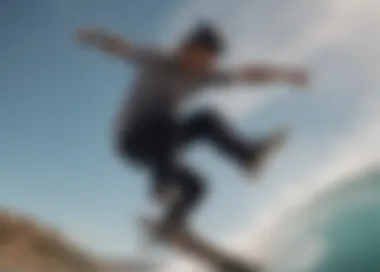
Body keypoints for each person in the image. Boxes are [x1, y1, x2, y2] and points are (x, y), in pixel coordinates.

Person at [76, 22, 310, 241]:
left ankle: (175, 219)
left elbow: (248, 74)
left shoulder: (204, 76)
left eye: (212, 60)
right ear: (189, 48)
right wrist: (95, 37)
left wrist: (285, 75)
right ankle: (163, 187)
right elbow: (123, 48)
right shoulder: (157, 59)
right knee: (165, 119)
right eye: (204, 57)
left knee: (199, 182)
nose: (208, 65)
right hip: (132, 140)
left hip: (162, 148)